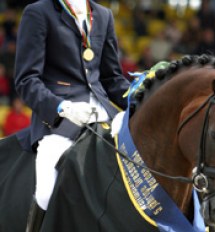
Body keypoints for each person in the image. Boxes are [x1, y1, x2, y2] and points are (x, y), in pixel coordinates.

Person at [14, 0, 130, 231]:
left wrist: (142, 96)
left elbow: (111, 79)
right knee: (47, 186)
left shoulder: (103, 15)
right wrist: (61, 108)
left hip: (104, 115)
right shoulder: (39, 12)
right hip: (62, 119)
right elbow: (27, 80)